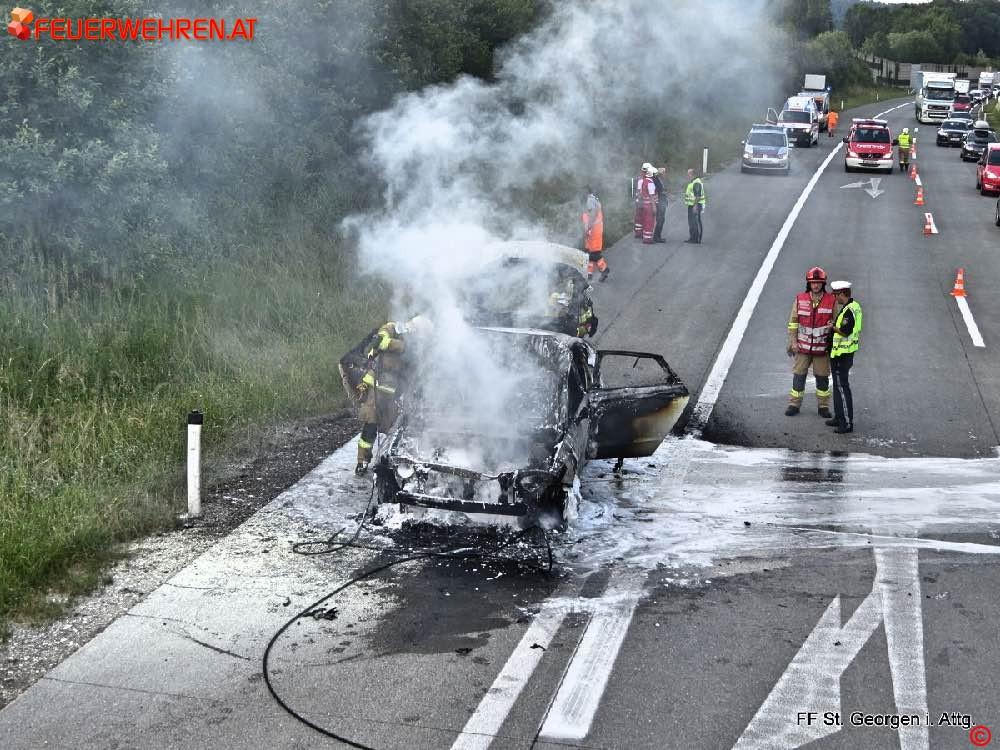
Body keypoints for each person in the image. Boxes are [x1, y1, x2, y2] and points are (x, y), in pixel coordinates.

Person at [354, 315, 432, 475]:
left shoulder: (417, 351)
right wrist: (403, 346)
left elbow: (413, 375)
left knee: (394, 430)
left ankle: (390, 464)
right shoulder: (393, 329)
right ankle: (362, 461)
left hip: (393, 393)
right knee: (370, 423)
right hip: (375, 388)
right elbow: (382, 341)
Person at [785, 266, 835, 418]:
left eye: (819, 282)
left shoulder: (831, 300)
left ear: (823, 283)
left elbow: (836, 324)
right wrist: (793, 342)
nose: (816, 285)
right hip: (802, 348)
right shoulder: (800, 299)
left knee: (822, 379)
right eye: (813, 282)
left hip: (822, 349)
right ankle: (794, 404)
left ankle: (823, 406)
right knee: (799, 377)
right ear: (809, 283)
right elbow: (793, 323)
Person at [826, 281, 863, 434]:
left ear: (843, 294)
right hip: (839, 354)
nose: (835, 298)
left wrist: (833, 327)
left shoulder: (849, 311)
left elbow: (844, 331)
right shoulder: (851, 307)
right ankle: (839, 416)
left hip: (843, 355)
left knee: (842, 387)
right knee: (837, 386)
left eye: (836, 295)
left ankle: (847, 422)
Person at [581, 186, 608, 282]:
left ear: (586, 193)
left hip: (594, 229)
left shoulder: (590, 200)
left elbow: (593, 213)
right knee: (588, 251)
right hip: (595, 229)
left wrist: (589, 226)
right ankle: (589, 273)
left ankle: (604, 269)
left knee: (594, 253)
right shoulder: (593, 199)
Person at [633, 163, 657, 244]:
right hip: (648, 205)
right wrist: (654, 207)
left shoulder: (641, 180)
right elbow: (651, 196)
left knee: (639, 219)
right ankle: (647, 238)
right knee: (649, 221)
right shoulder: (650, 182)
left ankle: (638, 233)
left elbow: (639, 193)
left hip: (641, 203)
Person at [683, 168, 705, 244]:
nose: (687, 176)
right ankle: (692, 238)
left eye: (688, 174)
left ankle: (696, 238)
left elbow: (698, 196)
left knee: (695, 222)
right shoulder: (693, 182)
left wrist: (695, 206)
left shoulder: (696, 183)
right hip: (691, 205)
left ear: (692, 174)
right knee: (692, 222)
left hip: (696, 205)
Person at [651, 166, 667, 243]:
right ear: (660, 173)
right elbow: (657, 191)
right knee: (660, 219)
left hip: (662, 201)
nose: (665, 174)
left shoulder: (660, 180)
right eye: (664, 172)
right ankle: (656, 237)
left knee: (661, 219)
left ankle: (658, 236)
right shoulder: (656, 180)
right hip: (659, 202)